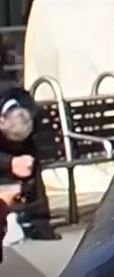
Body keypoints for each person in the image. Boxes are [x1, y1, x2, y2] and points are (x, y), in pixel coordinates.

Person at [0, 90, 57, 242]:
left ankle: (39, 222)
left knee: (32, 166)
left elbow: (43, 143)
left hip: (28, 146)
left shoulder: (31, 109)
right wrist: (10, 162)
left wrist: (25, 161)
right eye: (12, 139)